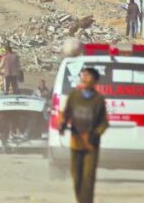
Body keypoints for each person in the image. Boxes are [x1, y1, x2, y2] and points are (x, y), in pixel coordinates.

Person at [59, 67, 108, 203]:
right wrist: (62, 124)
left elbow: (104, 123)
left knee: (88, 176)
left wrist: (96, 134)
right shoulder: (74, 96)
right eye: (83, 75)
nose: (84, 78)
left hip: (91, 144)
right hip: (76, 141)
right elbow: (66, 113)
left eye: (88, 76)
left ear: (95, 81)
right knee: (76, 176)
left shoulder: (98, 100)